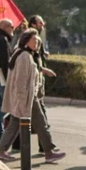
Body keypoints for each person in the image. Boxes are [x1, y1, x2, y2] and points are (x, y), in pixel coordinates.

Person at [0, 29, 66, 164]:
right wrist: (22, 100)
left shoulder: (23, 53)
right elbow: (20, 80)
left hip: (26, 97)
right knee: (41, 124)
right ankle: (49, 152)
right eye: (34, 40)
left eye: (38, 40)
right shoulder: (24, 56)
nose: (37, 43)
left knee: (15, 125)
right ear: (26, 40)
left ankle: (0, 151)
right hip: (27, 98)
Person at [23, 15, 58, 153]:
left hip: (37, 82)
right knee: (40, 116)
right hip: (32, 85)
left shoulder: (35, 37)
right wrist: (44, 69)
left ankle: (12, 144)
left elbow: (37, 56)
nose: (42, 24)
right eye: (39, 22)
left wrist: (43, 54)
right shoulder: (29, 39)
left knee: (17, 118)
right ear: (33, 24)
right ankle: (46, 147)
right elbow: (31, 61)